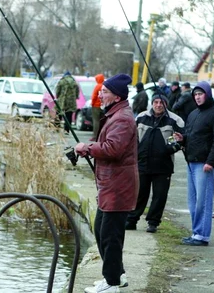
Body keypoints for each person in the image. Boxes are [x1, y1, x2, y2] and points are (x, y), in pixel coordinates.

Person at [74, 73, 137, 293]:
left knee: (110, 236)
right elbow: (106, 143)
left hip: (118, 187)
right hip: (110, 186)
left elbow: (113, 148)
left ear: (117, 97)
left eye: (105, 92)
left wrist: (87, 149)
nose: (100, 93)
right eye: (101, 91)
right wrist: (90, 145)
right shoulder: (115, 114)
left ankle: (111, 285)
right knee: (100, 230)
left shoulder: (122, 118)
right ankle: (117, 276)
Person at [126, 94, 184, 234]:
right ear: (152, 103)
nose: (158, 105)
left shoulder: (175, 120)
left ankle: (153, 223)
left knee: (159, 196)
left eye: (162, 102)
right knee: (139, 193)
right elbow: (132, 137)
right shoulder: (141, 117)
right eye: (156, 102)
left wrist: (168, 149)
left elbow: (181, 140)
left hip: (163, 166)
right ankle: (131, 220)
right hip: (142, 163)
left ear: (166, 104)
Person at [180, 81, 214, 247]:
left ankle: (202, 235)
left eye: (200, 94)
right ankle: (196, 232)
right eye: (195, 94)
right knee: (193, 202)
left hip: (204, 165)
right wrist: (183, 139)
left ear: (207, 94)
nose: (198, 97)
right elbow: (192, 135)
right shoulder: (193, 114)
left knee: (204, 201)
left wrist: (211, 162)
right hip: (191, 163)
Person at [90, 73, 105, 139]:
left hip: (96, 105)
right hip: (103, 105)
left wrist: (92, 103)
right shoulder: (105, 86)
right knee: (102, 121)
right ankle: (101, 136)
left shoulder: (97, 86)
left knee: (96, 121)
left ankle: (95, 136)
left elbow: (94, 96)